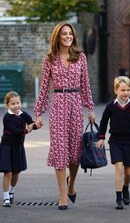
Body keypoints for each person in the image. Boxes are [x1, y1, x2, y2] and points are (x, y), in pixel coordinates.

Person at [34, 22, 95, 210]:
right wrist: (38, 113)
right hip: (58, 104)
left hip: (75, 104)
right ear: (57, 37)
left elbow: (85, 84)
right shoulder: (49, 59)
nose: (68, 37)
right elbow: (44, 88)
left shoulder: (81, 57)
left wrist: (90, 108)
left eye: (70, 34)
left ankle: (71, 184)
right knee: (60, 151)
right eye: (64, 34)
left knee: (75, 153)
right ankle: (62, 195)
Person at [96, 76, 130, 210]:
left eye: (128, 90)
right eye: (123, 90)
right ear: (116, 90)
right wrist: (101, 137)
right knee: (119, 168)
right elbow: (103, 122)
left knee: (129, 171)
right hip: (115, 141)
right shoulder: (110, 106)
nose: (126, 93)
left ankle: (125, 188)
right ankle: (118, 197)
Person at [0, 91, 38, 207]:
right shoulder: (7, 117)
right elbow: (14, 130)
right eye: (13, 104)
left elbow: (31, 123)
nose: (16, 106)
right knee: (7, 172)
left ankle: (11, 191)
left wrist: (36, 125)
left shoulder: (23, 114)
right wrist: (26, 130)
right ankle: (5, 197)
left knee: (16, 172)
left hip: (18, 147)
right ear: (7, 105)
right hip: (6, 147)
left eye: (18, 103)